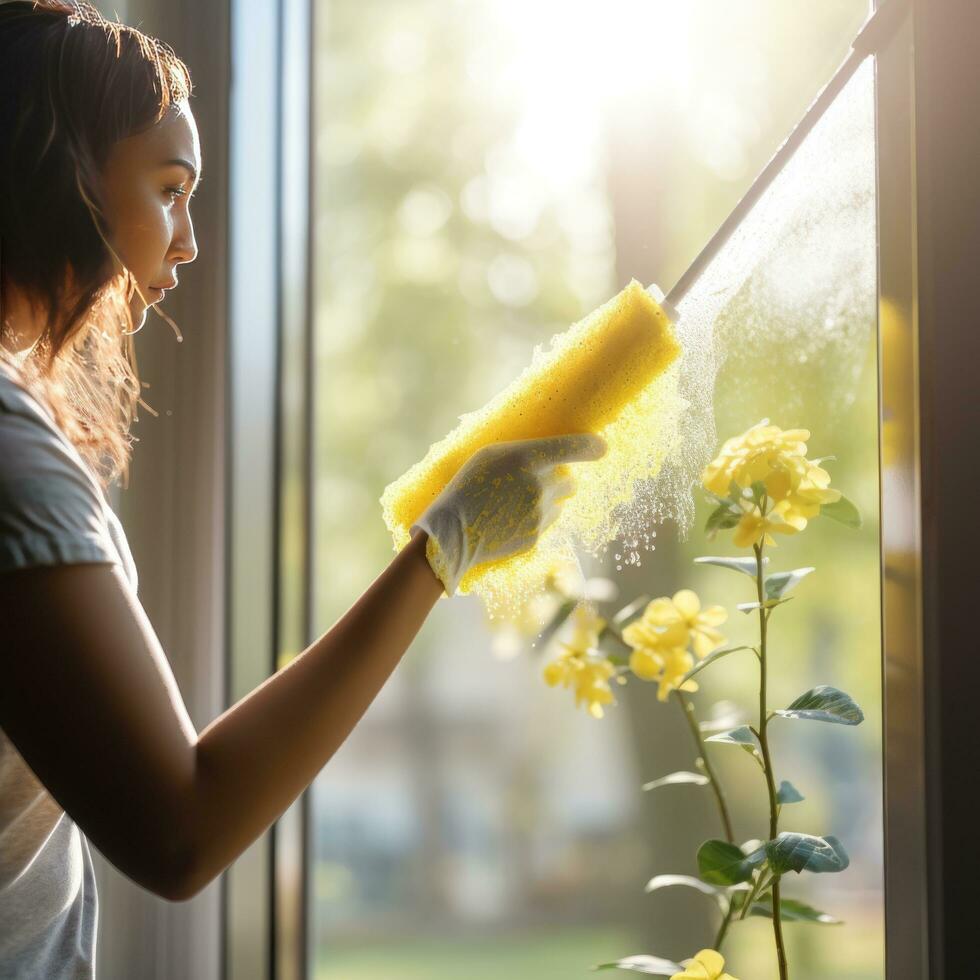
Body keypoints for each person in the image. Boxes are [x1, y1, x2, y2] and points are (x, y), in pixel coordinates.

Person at [0, 2, 606, 976]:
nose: (187, 241)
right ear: (59, 176)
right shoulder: (14, 461)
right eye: (168, 187)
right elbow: (180, 829)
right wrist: (438, 554)